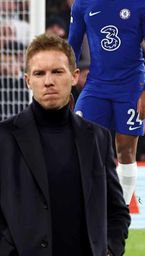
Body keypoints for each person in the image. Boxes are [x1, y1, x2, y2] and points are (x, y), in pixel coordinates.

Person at [0, 33, 130, 255]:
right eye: (39, 73)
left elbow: (116, 210)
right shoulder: (4, 137)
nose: (48, 81)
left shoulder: (98, 137)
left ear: (74, 76)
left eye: (57, 71)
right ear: (28, 81)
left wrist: (109, 249)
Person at [68, 0, 145, 207]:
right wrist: (66, 82)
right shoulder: (84, 2)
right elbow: (72, 46)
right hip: (96, 86)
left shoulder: (143, 3)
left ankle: (118, 215)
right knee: (83, 145)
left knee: (126, 151)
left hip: (131, 86)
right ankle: (88, 206)